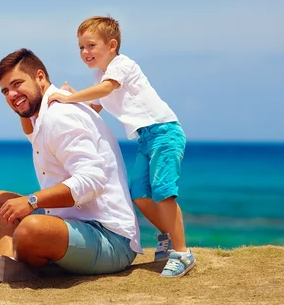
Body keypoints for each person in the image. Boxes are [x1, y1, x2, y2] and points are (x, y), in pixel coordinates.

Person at [0, 48, 143, 283]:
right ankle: (10, 263)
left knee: (31, 229)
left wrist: (32, 200)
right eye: (5, 91)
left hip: (110, 238)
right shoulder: (43, 115)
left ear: (40, 77)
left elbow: (91, 182)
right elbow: (32, 133)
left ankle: (12, 249)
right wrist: (21, 101)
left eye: (17, 84)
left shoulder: (60, 116)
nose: (11, 94)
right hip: (74, 227)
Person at [47, 16, 196, 278]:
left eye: (91, 45)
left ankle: (183, 253)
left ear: (112, 45)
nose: (85, 52)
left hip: (165, 132)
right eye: (81, 47)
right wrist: (69, 102)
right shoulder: (101, 76)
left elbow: (105, 90)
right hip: (145, 138)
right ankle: (170, 237)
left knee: (163, 192)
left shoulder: (122, 66)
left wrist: (70, 96)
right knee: (139, 194)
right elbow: (95, 107)